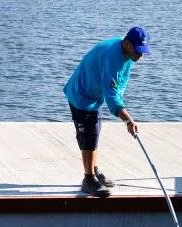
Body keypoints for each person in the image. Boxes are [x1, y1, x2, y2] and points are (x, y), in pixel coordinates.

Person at [64, 26, 150, 197]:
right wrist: (127, 119)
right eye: (138, 51)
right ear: (127, 43)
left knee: (95, 132)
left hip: (95, 97)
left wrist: (122, 108)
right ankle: (88, 180)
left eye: (143, 51)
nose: (140, 56)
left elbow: (119, 85)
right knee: (88, 136)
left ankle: (94, 171)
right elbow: (112, 97)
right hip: (81, 96)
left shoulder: (126, 54)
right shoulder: (113, 58)